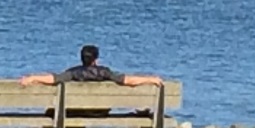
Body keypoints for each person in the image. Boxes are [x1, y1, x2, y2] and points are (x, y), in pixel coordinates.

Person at [20, 44, 163, 87]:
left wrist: (32, 78)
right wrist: (151, 80)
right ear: (96, 60)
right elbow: (129, 81)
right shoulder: (104, 73)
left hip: (75, 110)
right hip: (100, 111)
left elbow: (54, 79)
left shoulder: (74, 73)